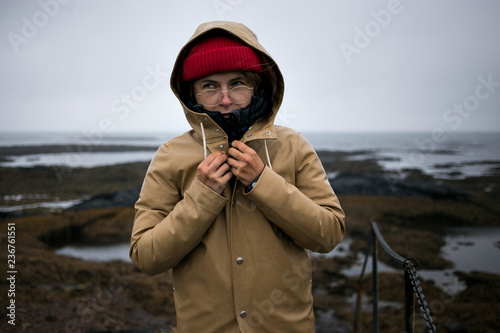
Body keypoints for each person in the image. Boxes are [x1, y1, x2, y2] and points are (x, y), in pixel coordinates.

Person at [130, 21, 346, 333]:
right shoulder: (170, 155)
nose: (226, 99)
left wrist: (262, 181)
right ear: (191, 93)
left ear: (258, 85)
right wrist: (202, 197)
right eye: (210, 86)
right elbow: (146, 256)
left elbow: (329, 234)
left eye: (238, 83)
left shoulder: (293, 145)